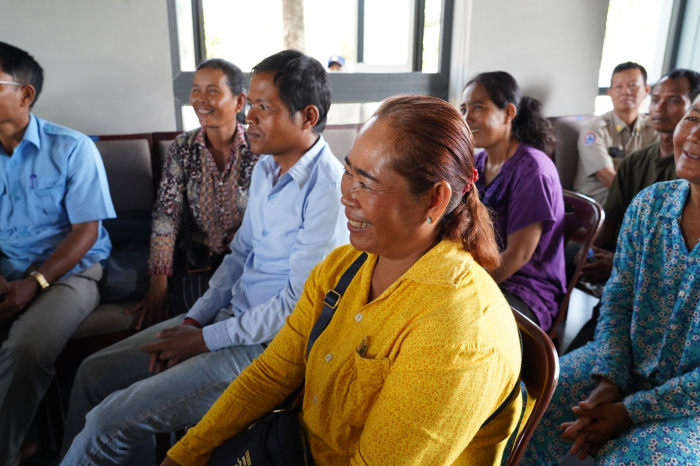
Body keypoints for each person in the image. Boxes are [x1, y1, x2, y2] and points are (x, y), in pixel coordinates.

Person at [161, 95, 522, 466]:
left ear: (434, 200)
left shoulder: (458, 332)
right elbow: (271, 375)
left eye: (367, 183)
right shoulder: (343, 267)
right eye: (349, 172)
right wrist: (184, 456)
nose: (346, 195)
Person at [60, 50, 349, 465]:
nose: (249, 116)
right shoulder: (267, 168)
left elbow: (295, 308)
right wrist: (195, 320)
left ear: (308, 116)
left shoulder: (327, 190)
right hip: (227, 319)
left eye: (263, 107)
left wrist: (203, 339)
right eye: (251, 105)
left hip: (267, 348)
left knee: (107, 423)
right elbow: (240, 253)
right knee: (93, 373)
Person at [521, 96, 700, 465]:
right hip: (623, 365)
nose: (695, 135)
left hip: (690, 404)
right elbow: (617, 299)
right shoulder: (650, 204)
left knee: (641, 458)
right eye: (694, 118)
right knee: (525, 407)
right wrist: (610, 381)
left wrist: (631, 411)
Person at [0, 42, 116, 466]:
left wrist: (34, 283)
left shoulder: (71, 147)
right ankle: (23, 442)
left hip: (70, 272)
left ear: (25, 94)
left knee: (28, 348)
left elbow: (86, 231)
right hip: (7, 270)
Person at [125, 59, 259, 330]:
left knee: (247, 312)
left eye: (212, 91)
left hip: (250, 260)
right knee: (192, 316)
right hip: (200, 260)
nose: (200, 99)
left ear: (239, 101)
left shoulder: (258, 148)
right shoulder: (183, 148)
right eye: (196, 90)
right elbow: (167, 215)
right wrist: (158, 279)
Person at [460, 71, 565, 332]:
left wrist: (466, 288)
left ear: (508, 113)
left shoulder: (532, 170)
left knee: (459, 323)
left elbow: (519, 254)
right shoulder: (478, 163)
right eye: (464, 109)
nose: (467, 117)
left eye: (478, 107)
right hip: (484, 272)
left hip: (526, 289)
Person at [578, 69, 700, 286]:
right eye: (656, 100)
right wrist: (589, 250)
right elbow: (611, 219)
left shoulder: (692, 172)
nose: (659, 108)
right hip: (625, 255)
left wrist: (623, 264)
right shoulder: (634, 162)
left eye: (673, 100)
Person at [574, 62, 657, 205]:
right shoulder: (594, 129)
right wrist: (646, 203)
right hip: (596, 200)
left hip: (637, 197)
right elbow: (607, 177)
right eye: (618, 86)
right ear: (610, 92)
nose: (626, 92)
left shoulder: (654, 128)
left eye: (633, 85)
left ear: (646, 90)